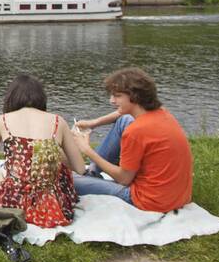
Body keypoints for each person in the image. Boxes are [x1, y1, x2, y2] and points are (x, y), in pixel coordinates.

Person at [0, 74, 85, 228]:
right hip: (50, 207)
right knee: (58, 169)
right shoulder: (58, 121)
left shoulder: (2, 121)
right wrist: (54, 148)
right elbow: (80, 168)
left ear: (11, 98)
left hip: (12, 202)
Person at [72, 67, 193, 212]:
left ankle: (89, 175)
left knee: (67, 180)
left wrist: (87, 150)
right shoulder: (162, 113)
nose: (112, 100)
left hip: (149, 201)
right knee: (125, 119)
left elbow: (124, 179)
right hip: (178, 196)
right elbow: (121, 115)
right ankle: (91, 173)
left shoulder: (136, 131)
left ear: (134, 96)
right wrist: (94, 123)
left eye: (117, 96)